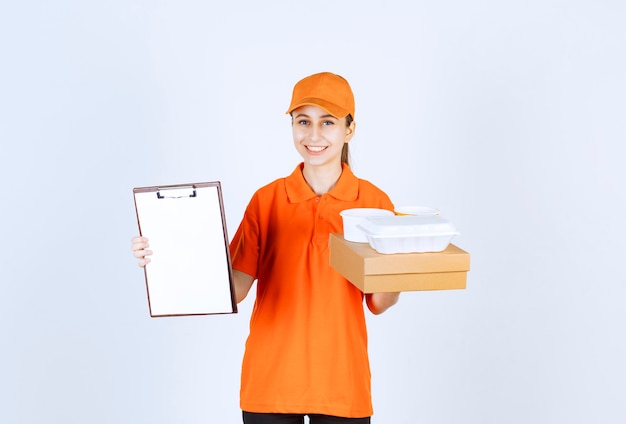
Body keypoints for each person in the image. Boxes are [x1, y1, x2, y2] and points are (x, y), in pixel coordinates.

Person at [131, 72, 400, 424]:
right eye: (303, 121)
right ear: (292, 125)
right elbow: (236, 290)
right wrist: (167, 253)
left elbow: (379, 302)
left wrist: (399, 264)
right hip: (270, 381)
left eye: (328, 122)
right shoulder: (266, 201)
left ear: (349, 129)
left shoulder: (374, 204)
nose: (313, 135)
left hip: (341, 382)